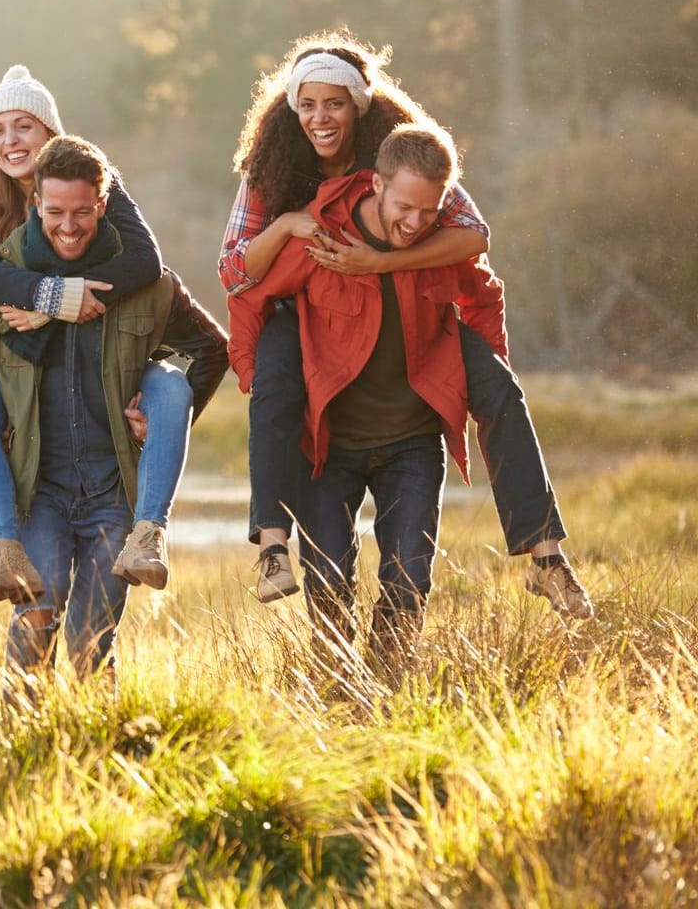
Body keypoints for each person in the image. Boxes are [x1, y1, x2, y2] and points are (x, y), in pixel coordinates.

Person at [219, 33, 593, 620]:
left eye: (336, 103)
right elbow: (236, 273)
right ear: (293, 108)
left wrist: (381, 260)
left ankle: (547, 555)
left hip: (410, 306)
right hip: (311, 310)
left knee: (498, 390)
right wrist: (289, 224)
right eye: (309, 105)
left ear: (360, 106)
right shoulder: (272, 170)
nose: (322, 118)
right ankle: (271, 542)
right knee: (275, 383)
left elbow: (472, 233)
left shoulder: (401, 161)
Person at [231, 125, 503, 679]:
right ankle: (337, 695)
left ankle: (387, 686)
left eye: (428, 212)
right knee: (328, 583)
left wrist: (486, 379)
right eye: (404, 206)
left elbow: (484, 291)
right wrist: (259, 380)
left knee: (409, 579)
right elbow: (247, 294)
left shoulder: (438, 245)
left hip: (412, 444)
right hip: (329, 446)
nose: (414, 222)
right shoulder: (323, 243)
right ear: (376, 184)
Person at [0, 135, 229, 682]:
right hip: (40, 493)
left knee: (89, 640)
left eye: (82, 212)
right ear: (36, 205)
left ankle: (103, 756)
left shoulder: (149, 286)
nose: (68, 226)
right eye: (55, 213)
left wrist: (162, 427)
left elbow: (215, 352)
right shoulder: (5, 276)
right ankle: (20, 755)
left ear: (103, 202)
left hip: (113, 495)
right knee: (35, 619)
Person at [0, 66, 192, 608]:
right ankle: (2, 547)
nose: (10, 141)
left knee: (171, 386)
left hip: (98, 361)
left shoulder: (92, 180)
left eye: (24, 126)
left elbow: (146, 262)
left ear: (51, 132)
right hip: (20, 366)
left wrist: (65, 302)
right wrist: (51, 298)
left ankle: (149, 533)